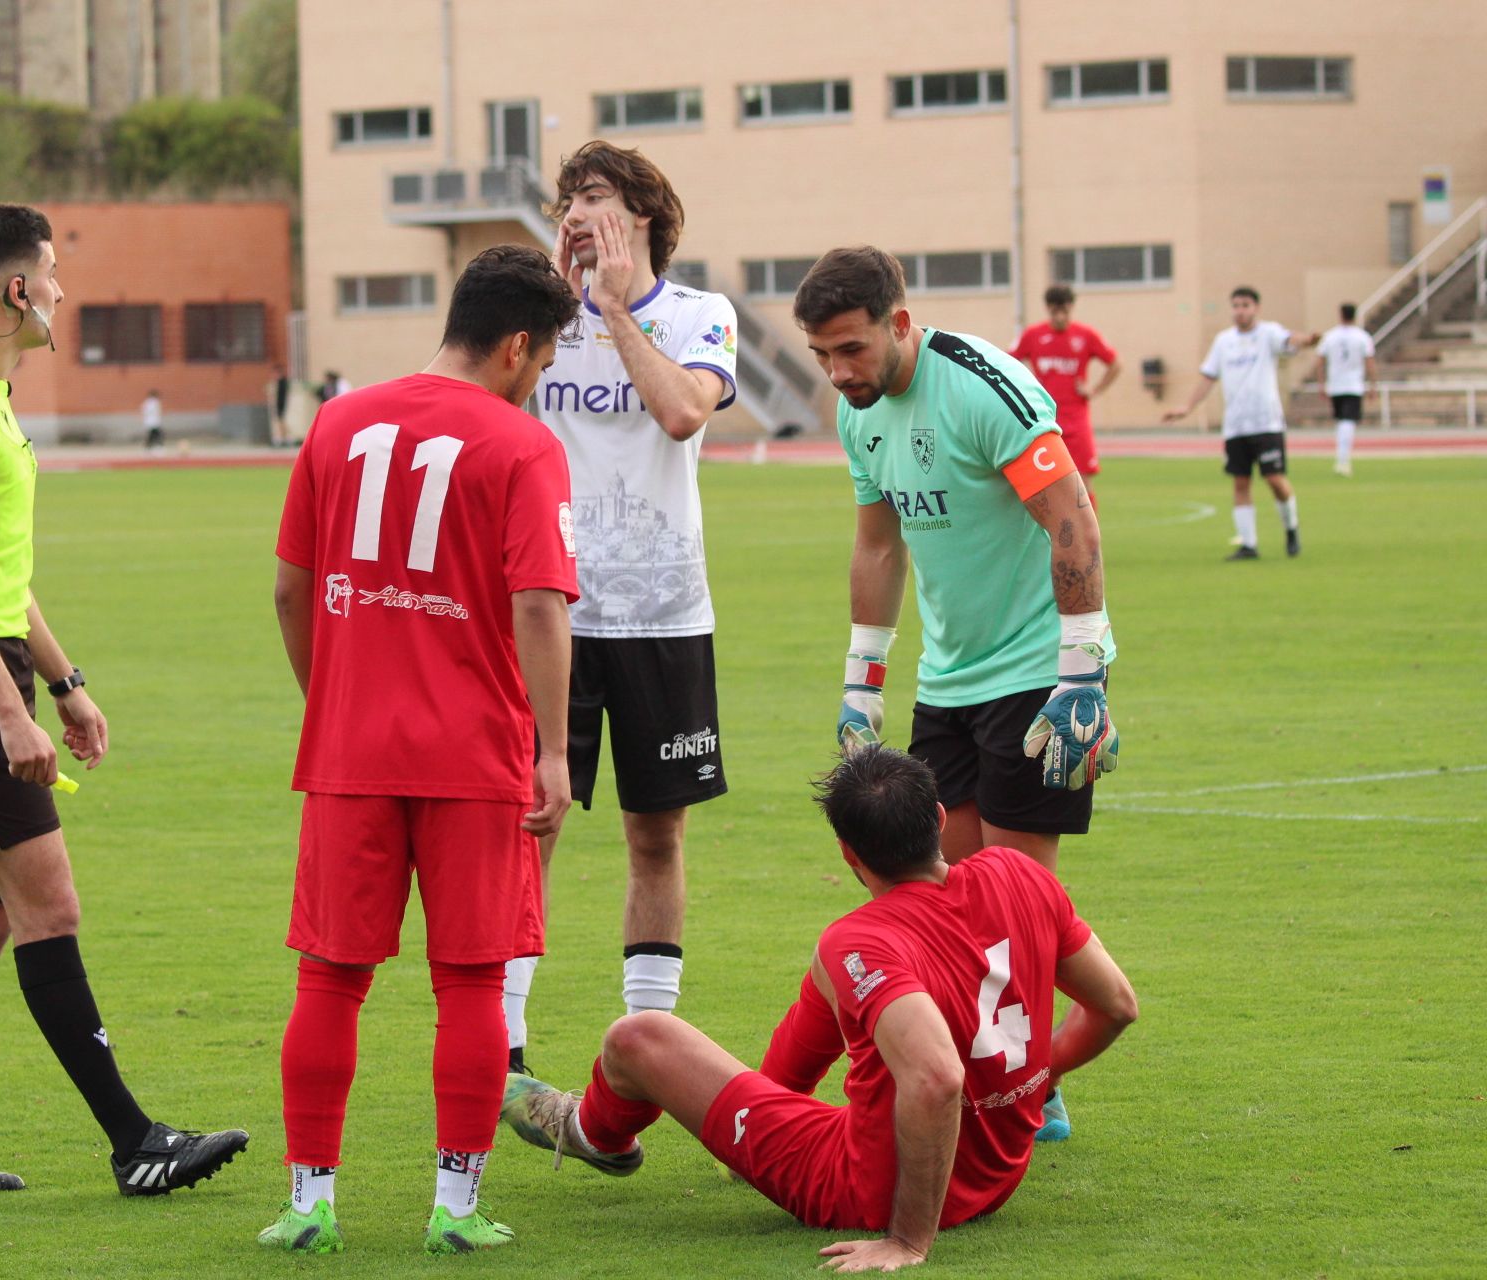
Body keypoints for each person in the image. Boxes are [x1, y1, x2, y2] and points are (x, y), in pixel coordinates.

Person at [0, 204, 247, 1199]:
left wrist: (65, 683)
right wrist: (8, 709)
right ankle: (136, 1141)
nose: (64, 293)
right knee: (47, 905)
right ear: (18, 290)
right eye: (55, 274)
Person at [502, 747, 1139, 1275]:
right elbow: (1115, 1006)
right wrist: (1030, 1080)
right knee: (819, 1030)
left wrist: (908, 1240)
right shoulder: (1018, 873)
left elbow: (938, 1078)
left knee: (637, 1037)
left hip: (870, 1189)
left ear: (848, 854)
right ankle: (715, 1139)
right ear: (941, 820)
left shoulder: (859, 942)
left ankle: (590, 1131)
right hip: (998, 1173)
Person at [266, 245, 581, 1255]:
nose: (537, 380)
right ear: (519, 345)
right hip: (475, 754)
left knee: (329, 978)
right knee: (472, 983)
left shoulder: (338, 419)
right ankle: (455, 1205)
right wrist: (557, 749)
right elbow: (538, 602)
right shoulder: (523, 443)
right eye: (540, 361)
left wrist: (337, 698)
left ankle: (309, 1200)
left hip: (351, 751)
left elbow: (288, 587)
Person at [797, 246, 1119, 1142]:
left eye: (852, 350)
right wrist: (864, 682)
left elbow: (1071, 514)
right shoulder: (856, 414)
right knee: (935, 894)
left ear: (900, 323)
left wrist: (1083, 671)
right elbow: (877, 545)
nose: (839, 372)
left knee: (1014, 900)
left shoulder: (983, 386)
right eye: (823, 355)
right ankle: (975, 1072)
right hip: (947, 680)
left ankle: (1028, 1089)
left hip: (1035, 677)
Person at [505, 140, 740, 1075]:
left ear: (642, 214)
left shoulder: (696, 313)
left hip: (664, 617)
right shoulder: (542, 323)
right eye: (565, 199)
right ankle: (508, 1045)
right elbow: (490, 417)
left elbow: (683, 411)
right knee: (532, 819)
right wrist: (560, 311)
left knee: (656, 834)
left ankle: (647, 1050)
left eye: (593, 197)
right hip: (548, 609)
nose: (573, 213)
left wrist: (613, 306)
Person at [1163, 286, 1318, 559]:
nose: (1240, 310)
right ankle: (1249, 544)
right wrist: (1187, 407)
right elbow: (1209, 376)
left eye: (1245, 305)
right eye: (1235, 305)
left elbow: (1290, 339)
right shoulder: (1224, 341)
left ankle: (1291, 528)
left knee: (1275, 480)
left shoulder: (1267, 333)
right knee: (1240, 483)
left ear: (1256, 308)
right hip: (1235, 425)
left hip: (1266, 423)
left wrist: (1307, 340)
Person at [1009, 285, 1120, 503]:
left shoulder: (1085, 335)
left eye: (1064, 311)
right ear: (1048, 309)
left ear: (1071, 308)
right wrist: (1026, 387)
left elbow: (1115, 363)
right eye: (1055, 311)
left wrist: (1094, 390)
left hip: (1076, 419)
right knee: (1041, 481)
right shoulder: (1033, 335)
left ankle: (1089, 535)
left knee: (1083, 481)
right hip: (1043, 419)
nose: (1060, 317)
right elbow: (1007, 361)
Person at [1311, 302, 1377, 477]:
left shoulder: (1330, 336)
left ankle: (1342, 458)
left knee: (1342, 421)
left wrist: (1321, 383)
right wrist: (1373, 385)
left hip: (1336, 385)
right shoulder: (1363, 337)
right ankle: (1343, 460)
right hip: (1354, 385)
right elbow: (1370, 362)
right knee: (1347, 421)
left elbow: (1319, 362)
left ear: (1340, 315)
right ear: (1354, 315)